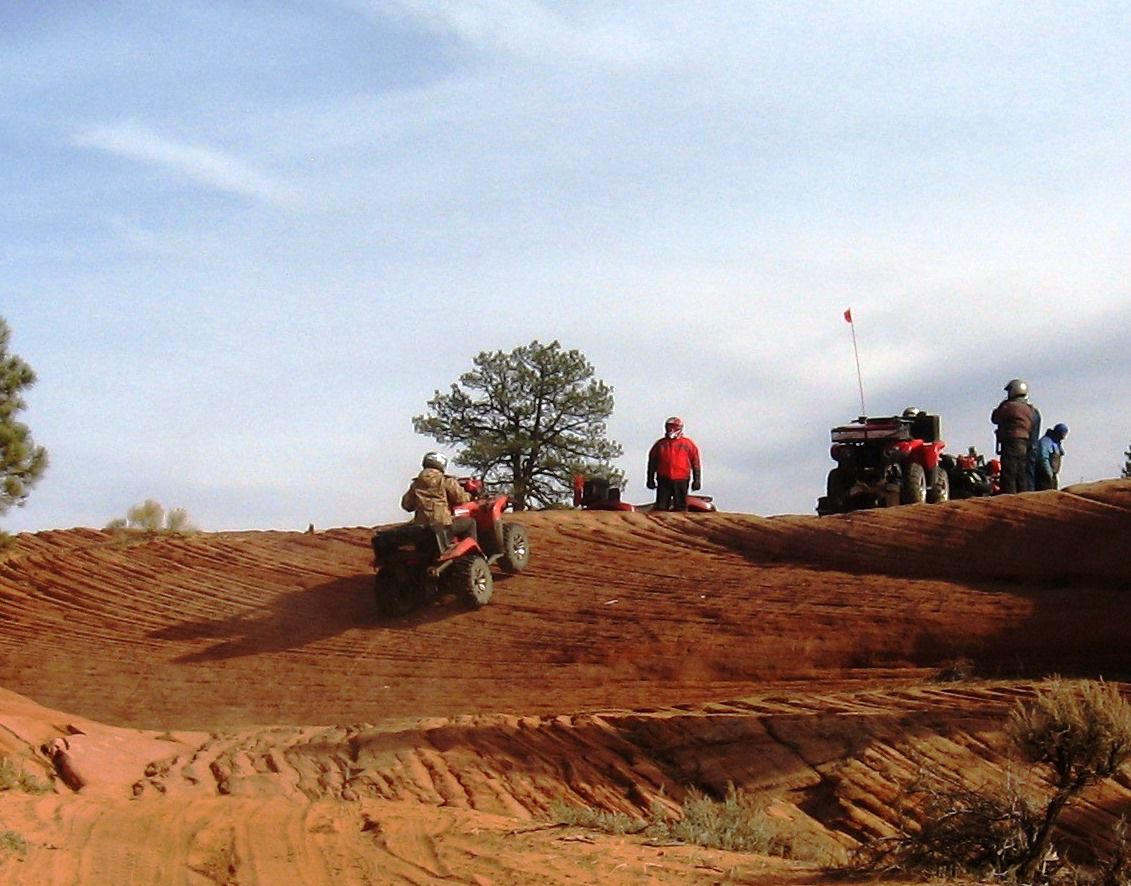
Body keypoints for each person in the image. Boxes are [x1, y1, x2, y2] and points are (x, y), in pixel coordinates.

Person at [400, 451, 477, 542]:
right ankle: (472, 553)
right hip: (443, 525)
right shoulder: (446, 480)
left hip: (422, 527)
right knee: (470, 522)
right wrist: (470, 495)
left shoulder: (416, 484)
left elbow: (406, 505)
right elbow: (460, 499)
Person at [990, 379, 1039, 494]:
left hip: (1010, 441)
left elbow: (995, 418)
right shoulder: (1030, 409)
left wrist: (1002, 404)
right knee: (1021, 471)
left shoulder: (1009, 406)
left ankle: (1008, 496)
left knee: (1009, 471)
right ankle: (1022, 494)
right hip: (1024, 442)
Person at [646, 416, 702, 511]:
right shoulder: (660, 444)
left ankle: (680, 524)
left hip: (681, 478)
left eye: (674, 427)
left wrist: (697, 480)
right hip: (664, 478)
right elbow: (652, 463)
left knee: (680, 507)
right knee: (661, 507)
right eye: (669, 427)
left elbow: (696, 463)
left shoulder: (688, 444)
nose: (671, 430)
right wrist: (650, 479)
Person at [1035, 423, 1069, 491]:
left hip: (1053, 476)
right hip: (1043, 476)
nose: (1064, 437)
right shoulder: (1046, 441)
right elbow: (1043, 458)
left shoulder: (1057, 443)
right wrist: (1049, 473)